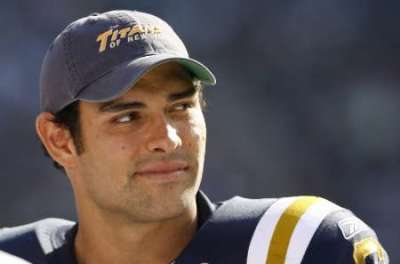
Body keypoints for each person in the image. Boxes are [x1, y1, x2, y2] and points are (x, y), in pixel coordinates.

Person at [0, 10, 389, 264]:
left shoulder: (295, 245)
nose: (167, 139)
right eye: (128, 117)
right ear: (60, 140)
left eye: (180, 107)